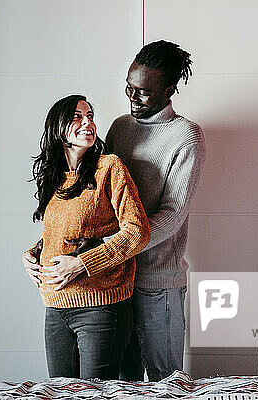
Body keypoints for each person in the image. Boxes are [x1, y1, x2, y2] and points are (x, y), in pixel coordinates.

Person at [21, 94, 150, 380]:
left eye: (90, 115)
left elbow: (138, 231)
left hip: (100, 307)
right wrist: (31, 254)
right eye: (77, 116)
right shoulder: (54, 176)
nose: (87, 122)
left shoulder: (109, 168)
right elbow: (59, 232)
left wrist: (83, 263)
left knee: (94, 394)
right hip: (55, 308)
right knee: (59, 392)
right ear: (58, 127)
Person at [107, 40, 206, 381]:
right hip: (113, 279)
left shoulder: (186, 135)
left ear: (169, 91)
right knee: (122, 381)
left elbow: (173, 214)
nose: (132, 98)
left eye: (144, 93)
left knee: (166, 381)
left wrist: (117, 247)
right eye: (129, 88)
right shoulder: (120, 128)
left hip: (157, 281)